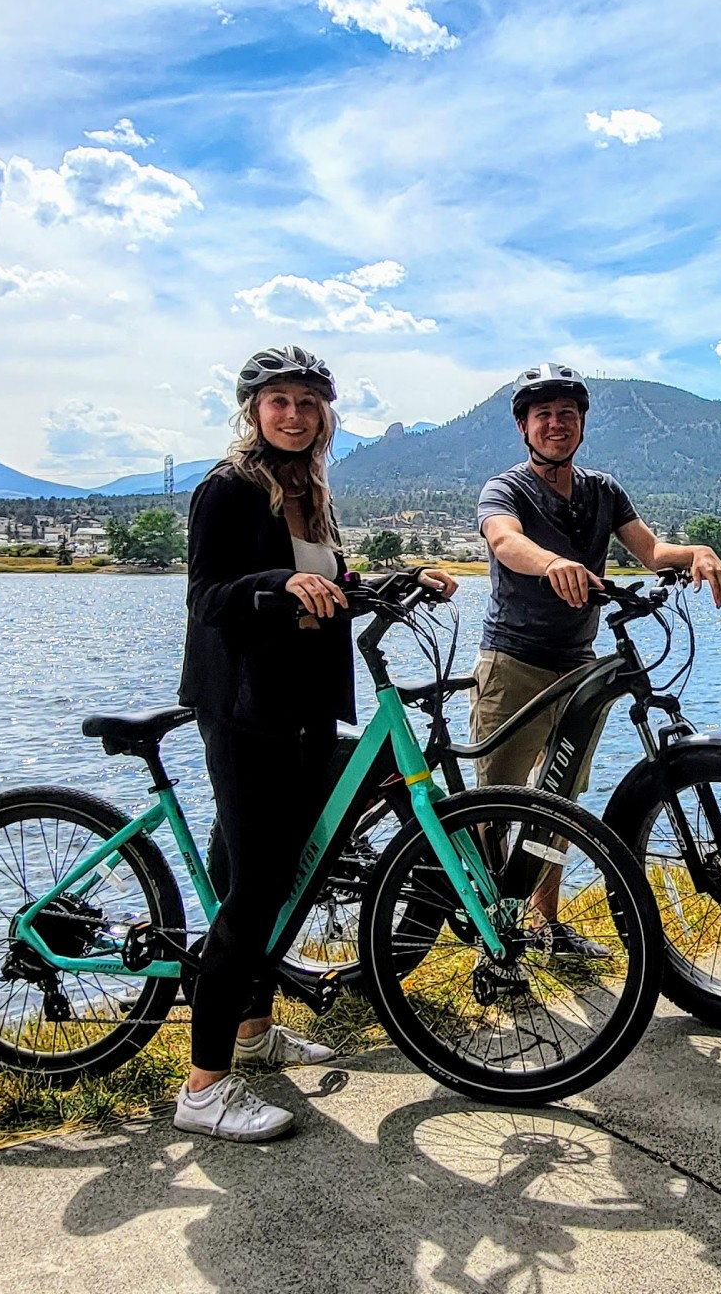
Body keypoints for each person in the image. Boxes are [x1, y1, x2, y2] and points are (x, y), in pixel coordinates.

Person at [175, 345, 457, 1141]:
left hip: (303, 706)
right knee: (258, 890)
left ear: (324, 416)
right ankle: (201, 1090)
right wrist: (276, 585)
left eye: (308, 403)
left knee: (285, 873)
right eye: (280, 402)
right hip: (243, 709)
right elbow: (208, 597)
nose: (294, 415)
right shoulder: (226, 489)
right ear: (254, 412)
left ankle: (253, 1032)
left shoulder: (311, 495)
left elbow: (328, 586)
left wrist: (401, 581)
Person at [473, 363, 721, 951]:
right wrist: (553, 562)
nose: (556, 424)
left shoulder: (603, 490)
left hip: (578, 666)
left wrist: (696, 552)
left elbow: (651, 551)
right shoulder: (505, 488)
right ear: (524, 427)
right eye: (544, 416)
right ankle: (492, 930)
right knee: (496, 800)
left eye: (567, 414)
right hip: (513, 663)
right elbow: (504, 541)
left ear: (583, 424)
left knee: (561, 798)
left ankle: (545, 922)